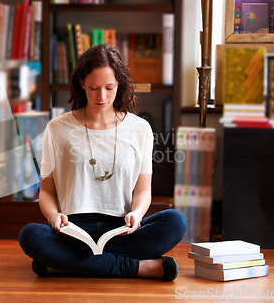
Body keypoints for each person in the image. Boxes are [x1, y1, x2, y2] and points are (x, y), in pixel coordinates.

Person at [18, 44, 187, 280]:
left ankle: (66, 265)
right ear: (81, 84)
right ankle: (139, 268)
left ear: (120, 84)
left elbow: (143, 190)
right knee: (30, 235)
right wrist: (53, 216)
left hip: (122, 230)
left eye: (109, 88)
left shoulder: (140, 129)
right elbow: (46, 190)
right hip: (72, 232)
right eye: (94, 88)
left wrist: (137, 214)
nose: (102, 97)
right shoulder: (57, 128)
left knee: (175, 221)